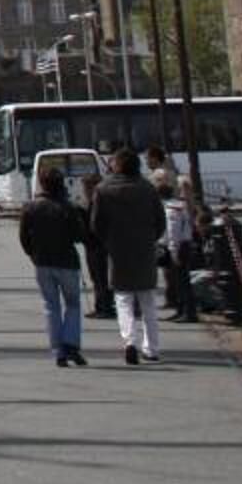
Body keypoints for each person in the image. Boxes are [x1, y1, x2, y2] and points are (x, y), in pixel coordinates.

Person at [91, 146, 167, 364]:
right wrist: (150, 238)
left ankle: (130, 341)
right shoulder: (148, 188)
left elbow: (96, 223)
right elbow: (160, 221)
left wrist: (108, 240)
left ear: (116, 166)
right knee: (148, 301)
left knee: (123, 299)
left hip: (117, 249)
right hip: (144, 248)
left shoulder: (103, 190)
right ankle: (151, 348)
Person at [17, 165, 90, 366]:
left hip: (42, 262)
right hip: (67, 261)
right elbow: (79, 235)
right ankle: (71, 343)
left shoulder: (31, 207)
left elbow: (23, 236)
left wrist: (32, 254)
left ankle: (57, 350)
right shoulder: (68, 207)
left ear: (42, 184)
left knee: (51, 306)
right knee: (73, 304)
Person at [157, 171, 200, 322]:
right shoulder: (178, 206)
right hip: (183, 245)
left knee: (182, 281)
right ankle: (181, 310)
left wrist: (173, 251)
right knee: (179, 281)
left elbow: (173, 232)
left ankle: (188, 312)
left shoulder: (171, 210)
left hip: (178, 247)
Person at [78, 165, 115, 318]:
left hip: (99, 244)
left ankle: (105, 306)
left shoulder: (99, 202)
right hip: (92, 245)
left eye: (87, 187)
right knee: (95, 276)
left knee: (101, 276)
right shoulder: (89, 202)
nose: (85, 190)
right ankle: (100, 305)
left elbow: (95, 224)